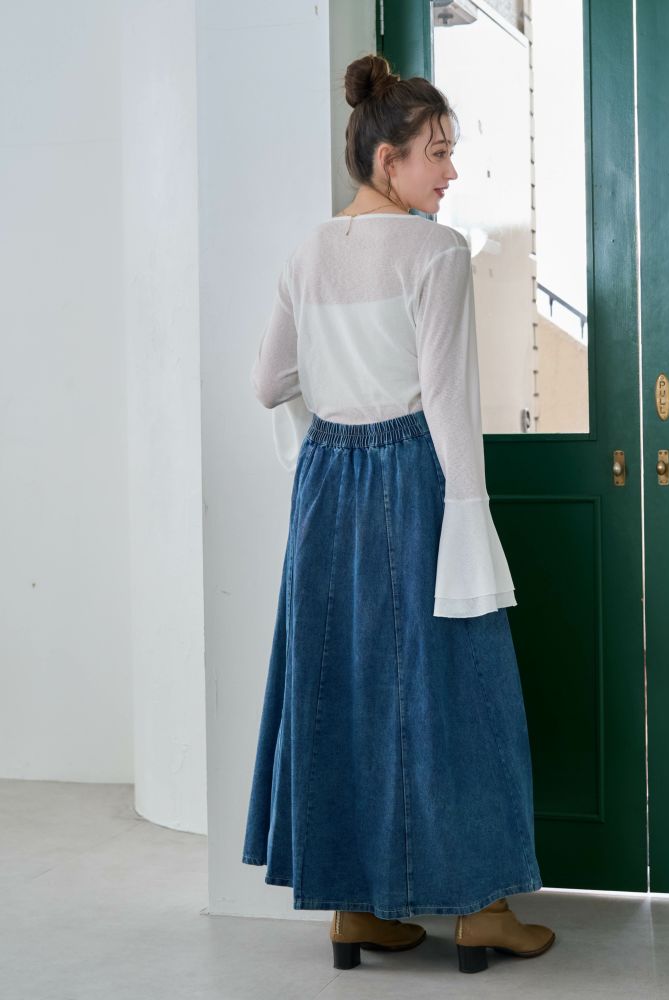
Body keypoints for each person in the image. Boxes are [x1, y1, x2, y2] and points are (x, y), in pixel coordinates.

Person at [241, 53, 555, 975]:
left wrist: (338, 402)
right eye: (436, 153)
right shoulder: (434, 252)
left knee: (341, 683)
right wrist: (469, 514)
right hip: (417, 477)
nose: (449, 171)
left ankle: (354, 910)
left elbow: (269, 382)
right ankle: (483, 908)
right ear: (388, 160)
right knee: (458, 683)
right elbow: (449, 401)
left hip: (326, 484)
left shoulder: (308, 253)